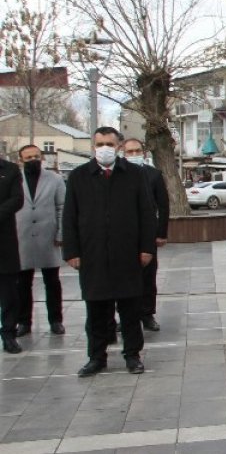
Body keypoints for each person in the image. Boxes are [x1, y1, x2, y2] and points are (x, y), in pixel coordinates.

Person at [62, 127, 156, 376]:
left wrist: (147, 248)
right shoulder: (80, 176)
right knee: (96, 311)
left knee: (130, 310)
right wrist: (71, 251)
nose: (105, 148)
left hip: (127, 254)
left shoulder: (134, 174)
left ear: (118, 146)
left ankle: (132, 355)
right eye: (100, 143)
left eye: (110, 144)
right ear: (93, 146)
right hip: (92, 255)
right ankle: (96, 356)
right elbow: (69, 216)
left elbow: (146, 214)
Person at [14, 145, 65, 338]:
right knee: (22, 283)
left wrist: (61, 234)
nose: (32, 160)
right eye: (28, 157)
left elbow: (62, 207)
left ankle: (56, 320)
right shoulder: (15, 178)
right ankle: (24, 321)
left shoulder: (55, 179)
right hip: (21, 238)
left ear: (42, 158)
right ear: (21, 159)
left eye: (36, 156)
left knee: (52, 282)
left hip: (48, 237)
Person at [121, 138, 169, 331]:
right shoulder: (119, 175)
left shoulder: (154, 175)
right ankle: (125, 315)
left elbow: (163, 206)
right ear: (123, 154)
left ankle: (147, 314)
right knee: (124, 277)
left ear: (144, 152)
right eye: (129, 151)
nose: (134, 155)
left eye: (137, 151)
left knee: (148, 277)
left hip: (148, 234)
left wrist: (161, 233)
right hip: (123, 235)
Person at [0, 152, 24, 354]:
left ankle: (9, 333)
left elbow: (17, 199)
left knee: (9, 292)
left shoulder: (10, 170)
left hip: (4, 241)